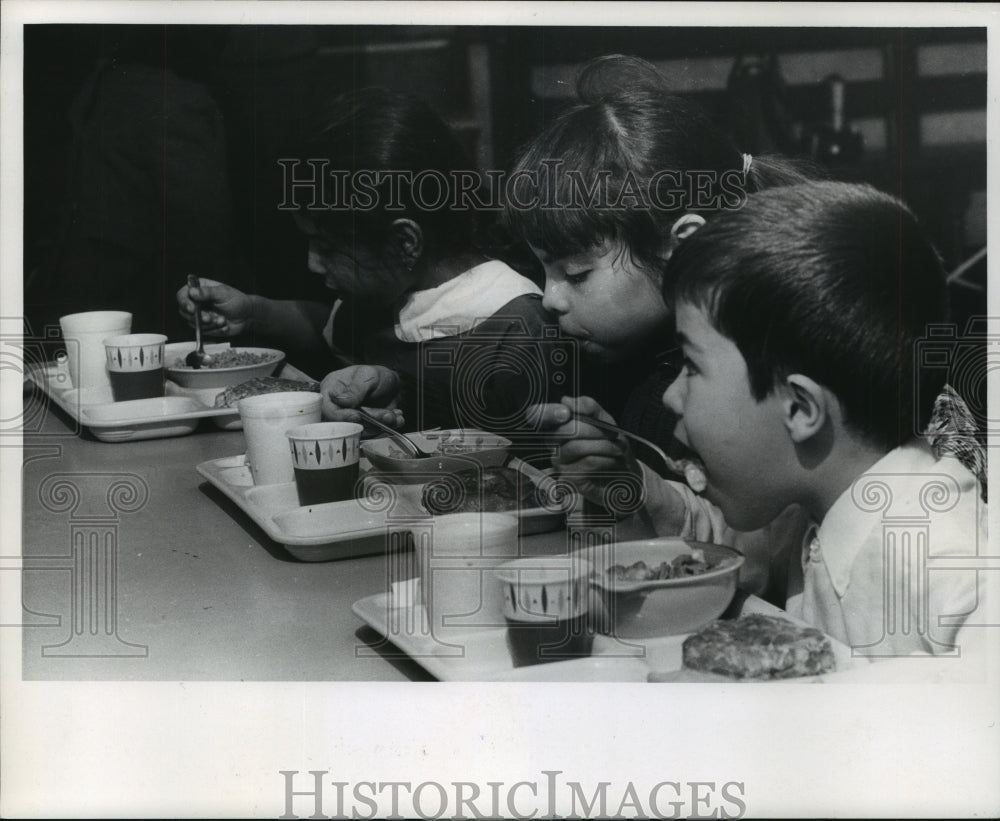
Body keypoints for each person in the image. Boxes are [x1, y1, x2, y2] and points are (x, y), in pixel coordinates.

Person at [547, 182, 987, 656]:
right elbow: (721, 552)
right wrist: (628, 487)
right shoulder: (811, 510)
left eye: (691, 367)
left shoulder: (953, 575)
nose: (672, 395)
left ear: (799, 409)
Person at [178, 87, 563, 435]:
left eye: (326, 246)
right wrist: (254, 313)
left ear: (404, 241)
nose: (312, 263)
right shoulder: (395, 291)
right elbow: (333, 325)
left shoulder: (517, 329)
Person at [503, 54, 817, 459]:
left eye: (577, 273)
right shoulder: (641, 363)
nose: (551, 299)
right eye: (542, 269)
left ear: (682, 244)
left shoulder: (744, 384)